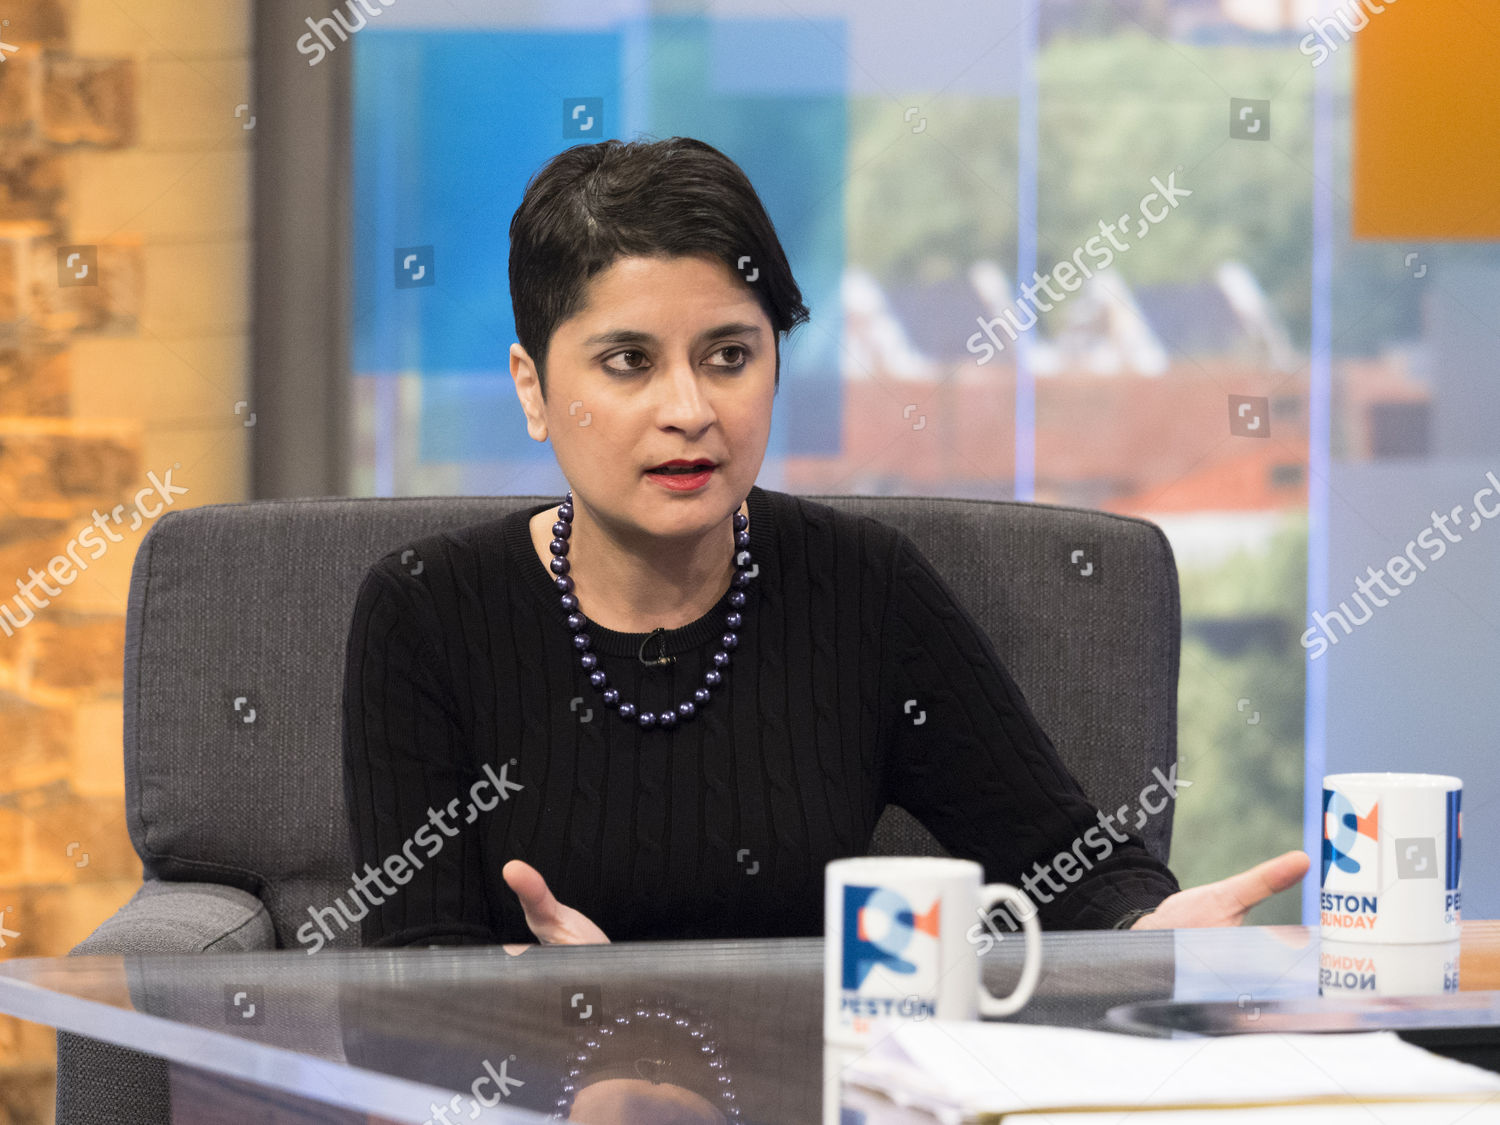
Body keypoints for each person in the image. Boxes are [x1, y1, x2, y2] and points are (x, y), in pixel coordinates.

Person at [340, 136, 1309, 950]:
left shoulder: (860, 587)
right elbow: (405, 973)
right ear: (532, 389)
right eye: (628, 363)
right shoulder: (429, 612)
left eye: (730, 356)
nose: (689, 411)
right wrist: (573, 1022)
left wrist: (1148, 930)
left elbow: (1067, 863)